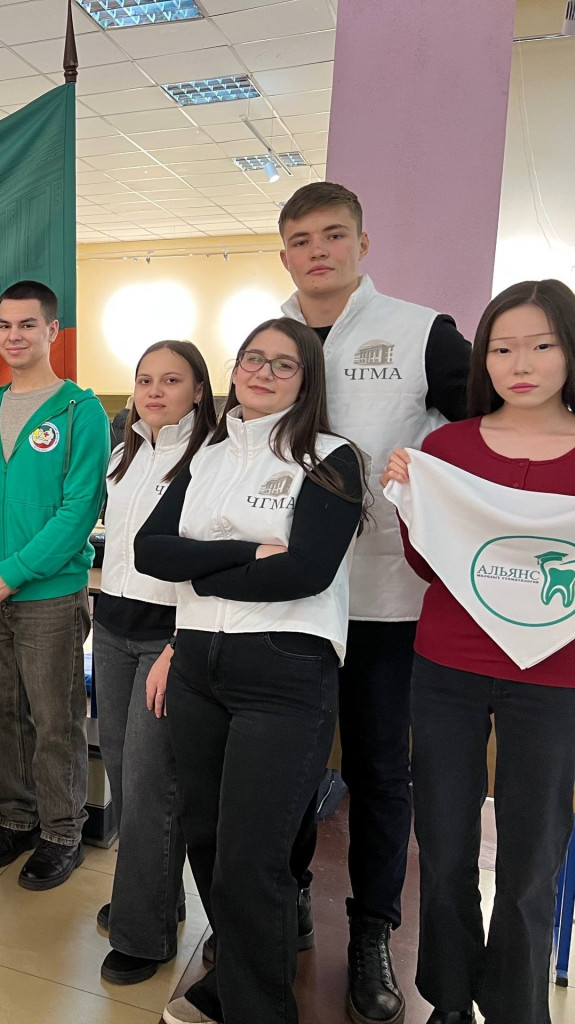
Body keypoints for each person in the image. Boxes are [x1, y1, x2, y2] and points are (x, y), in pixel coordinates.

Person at [381, 281, 575, 1024]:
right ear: (483, 358)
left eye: (542, 345)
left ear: (573, 352)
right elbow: (430, 567)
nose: (522, 363)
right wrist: (412, 501)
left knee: (532, 858)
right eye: (503, 348)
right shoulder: (447, 448)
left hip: (552, 680)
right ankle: (449, 1000)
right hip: (444, 670)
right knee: (444, 845)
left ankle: (517, 1008)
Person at [277, 181, 471, 1024]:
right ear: (284, 253)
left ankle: (371, 933)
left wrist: (430, 469)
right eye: (300, 240)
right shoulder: (268, 338)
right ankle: (283, 906)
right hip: (287, 597)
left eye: (333, 235)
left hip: (384, 598)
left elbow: (483, 430)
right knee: (284, 763)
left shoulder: (422, 331)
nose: (317, 251)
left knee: (380, 774)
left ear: (362, 243)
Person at [137, 318, 367, 1024]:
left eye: (283, 364)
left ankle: (260, 1010)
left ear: (307, 379)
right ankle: (234, 985)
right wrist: (245, 555)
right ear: (234, 369)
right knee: (207, 841)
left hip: (283, 671)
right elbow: (150, 550)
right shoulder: (206, 455)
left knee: (253, 858)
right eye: (253, 359)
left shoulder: (330, 457)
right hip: (197, 665)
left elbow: (304, 572)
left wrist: (201, 567)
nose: (263, 373)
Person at [0, 280, 110, 891]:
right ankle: (17, 818)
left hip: (49, 592)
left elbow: (79, 510)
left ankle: (62, 831)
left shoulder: (81, 411)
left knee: (54, 717)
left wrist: (13, 571)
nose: (14, 336)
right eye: (5, 325)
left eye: (27, 325)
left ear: (52, 331)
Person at [93, 341, 217, 984]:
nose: (155, 391)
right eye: (145, 380)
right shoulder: (126, 451)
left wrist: (178, 643)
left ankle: (144, 936)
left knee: (150, 785)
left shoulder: (211, 458)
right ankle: (155, 896)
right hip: (112, 627)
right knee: (122, 771)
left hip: (167, 636)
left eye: (172, 380)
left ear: (199, 390)